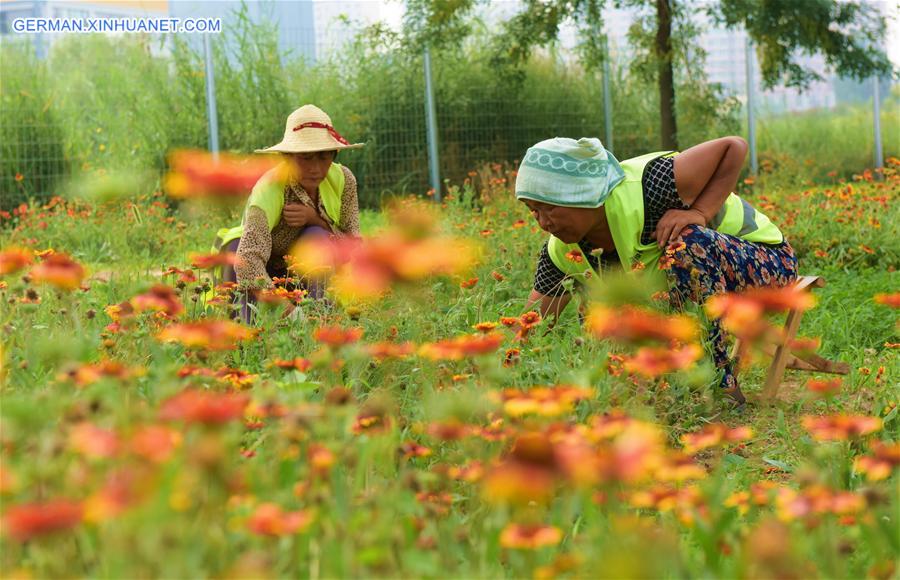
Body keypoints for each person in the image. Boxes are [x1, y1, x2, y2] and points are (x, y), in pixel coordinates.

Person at [515, 136, 797, 405]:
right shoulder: (561, 252)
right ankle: (623, 387)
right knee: (599, 301)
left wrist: (699, 212)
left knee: (688, 241)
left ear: (581, 195)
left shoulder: (654, 184)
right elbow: (533, 325)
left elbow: (733, 147)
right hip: (702, 291)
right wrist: (512, 371)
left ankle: (714, 381)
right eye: (533, 211)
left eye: (548, 208)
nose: (542, 221)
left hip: (766, 265)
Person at [213, 104, 364, 320]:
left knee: (318, 237)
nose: (316, 168)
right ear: (286, 156)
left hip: (300, 276)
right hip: (254, 272)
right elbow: (248, 260)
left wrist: (316, 220)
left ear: (335, 153)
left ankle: (318, 317)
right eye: (305, 157)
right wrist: (285, 310)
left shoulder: (344, 180)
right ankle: (248, 329)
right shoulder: (270, 187)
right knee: (236, 253)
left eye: (324, 156)